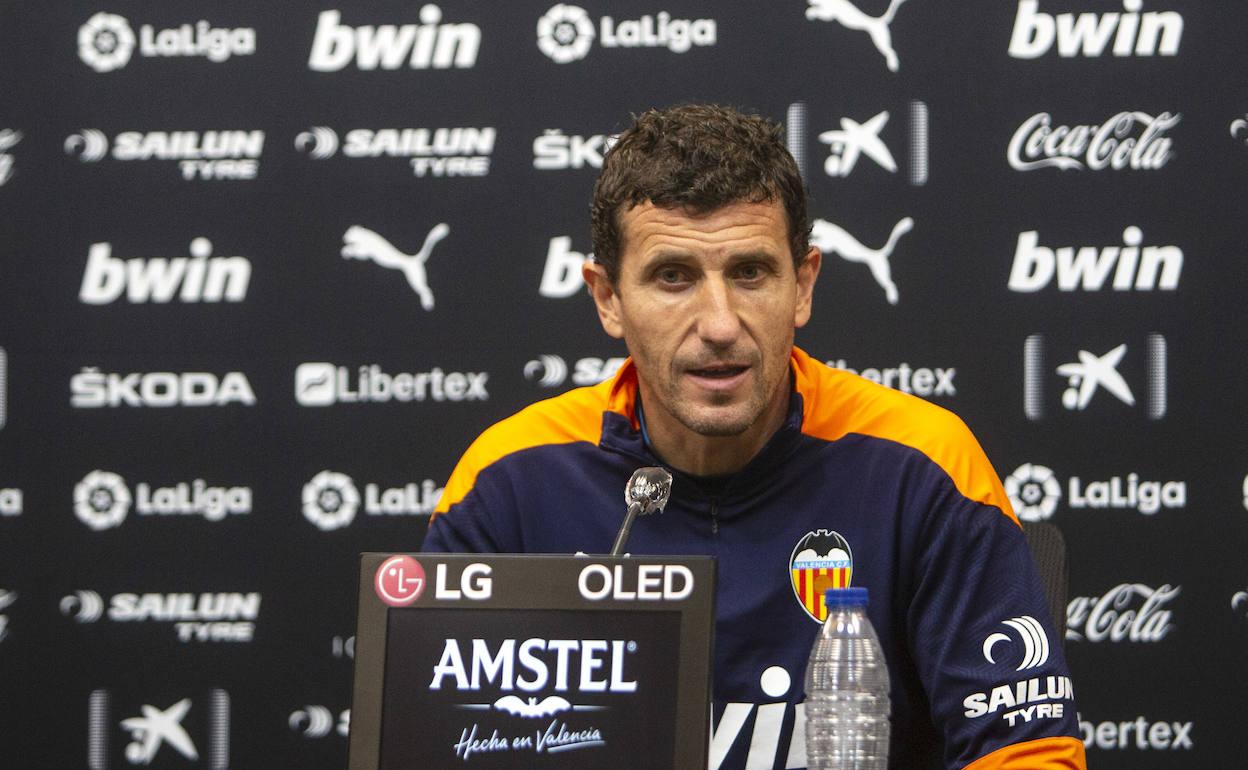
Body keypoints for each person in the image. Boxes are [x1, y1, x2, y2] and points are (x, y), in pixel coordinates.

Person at [423, 104, 1086, 770]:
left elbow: (1028, 755)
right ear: (607, 299)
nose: (719, 323)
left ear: (802, 286)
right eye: (673, 277)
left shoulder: (920, 462)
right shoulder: (510, 478)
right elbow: (435, 747)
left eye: (749, 273)